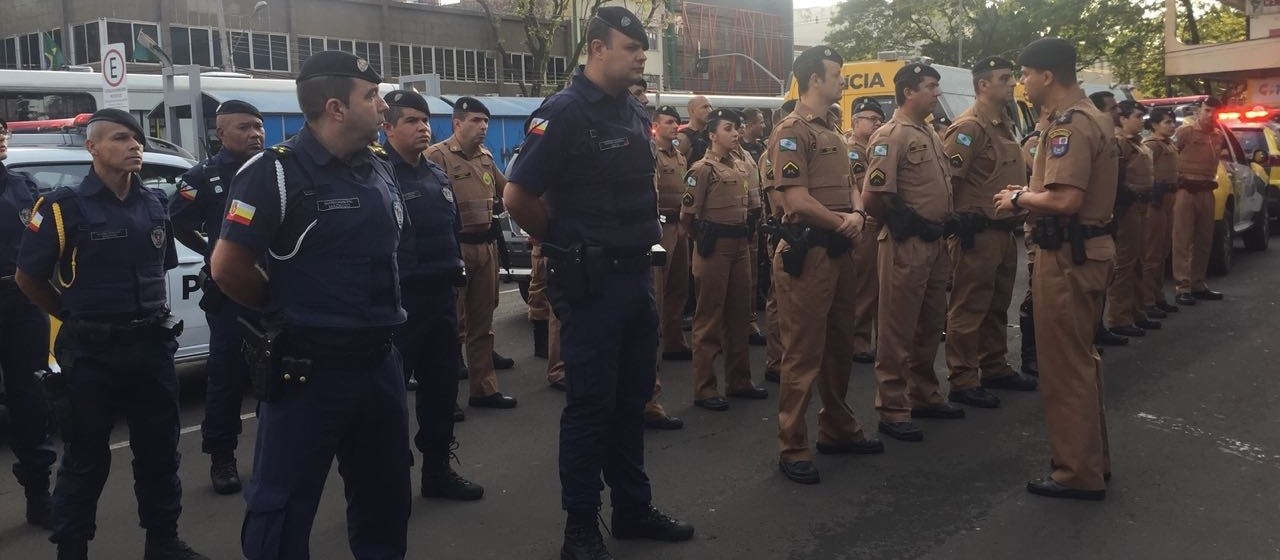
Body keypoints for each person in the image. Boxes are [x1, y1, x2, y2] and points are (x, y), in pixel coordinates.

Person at [503, 7, 694, 558]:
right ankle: (581, 526)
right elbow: (518, 197)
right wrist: (565, 244)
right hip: (590, 284)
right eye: (630, 48)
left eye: (642, 48)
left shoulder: (631, 112)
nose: (640, 56)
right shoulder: (562, 112)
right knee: (590, 406)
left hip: (635, 277)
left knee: (632, 399)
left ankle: (632, 509)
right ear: (596, 49)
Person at [210, 51, 412, 558]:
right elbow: (228, 266)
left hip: (380, 364)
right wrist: (285, 311)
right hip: (309, 371)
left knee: (386, 501)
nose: (383, 106)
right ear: (335, 107)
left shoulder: (379, 168)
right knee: (280, 511)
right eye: (371, 96)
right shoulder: (275, 172)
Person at [16, 109, 205, 559]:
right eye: (121, 138)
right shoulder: (63, 208)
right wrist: (72, 315)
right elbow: (28, 279)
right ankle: (73, 548)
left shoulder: (154, 204)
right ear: (93, 147)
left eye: (137, 139)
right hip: (91, 353)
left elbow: (160, 270)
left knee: (160, 453)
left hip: (150, 347)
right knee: (85, 459)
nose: (134, 146)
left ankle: (163, 541)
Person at [994, 37, 1117, 501]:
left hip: (1068, 256)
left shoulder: (1070, 125)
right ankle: (1092, 460)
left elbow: (1065, 199)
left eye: (1024, 75)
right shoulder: (1093, 117)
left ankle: (1076, 472)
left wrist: (1019, 199)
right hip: (1085, 250)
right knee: (1082, 362)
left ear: (1047, 76)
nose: (1022, 83)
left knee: (1065, 367)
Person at [771, 46, 880, 486]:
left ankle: (838, 427)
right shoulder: (791, 131)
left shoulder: (834, 130)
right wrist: (846, 223)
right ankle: (792, 444)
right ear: (815, 79)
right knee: (803, 354)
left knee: (840, 347)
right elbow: (795, 199)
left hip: (838, 248)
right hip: (811, 253)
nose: (843, 81)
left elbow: (854, 184)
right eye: (837, 74)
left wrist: (855, 215)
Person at [382, 90, 485, 501]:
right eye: (410, 120)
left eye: (425, 120)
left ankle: (438, 470)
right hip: (398, 303)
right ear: (387, 127)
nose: (422, 127)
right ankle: (389, 477)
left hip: (440, 297)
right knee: (389, 396)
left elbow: (451, 230)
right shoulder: (375, 174)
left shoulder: (437, 175)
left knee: (441, 388)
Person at [168, 99, 265, 495]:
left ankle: (276, 450)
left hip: (273, 288)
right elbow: (177, 220)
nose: (254, 133)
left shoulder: (274, 169)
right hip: (229, 293)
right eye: (244, 127)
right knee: (226, 377)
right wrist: (213, 252)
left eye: (257, 125)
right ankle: (221, 457)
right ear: (220, 133)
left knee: (281, 373)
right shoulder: (204, 177)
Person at [864, 63, 963, 443]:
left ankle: (924, 393)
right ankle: (892, 407)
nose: (937, 93)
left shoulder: (930, 133)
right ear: (908, 92)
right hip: (907, 244)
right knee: (897, 327)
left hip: (935, 243)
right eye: (931, 86)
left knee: (929, 323)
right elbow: (875, 196)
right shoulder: (891, 135)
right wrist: (908, 223)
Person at [940, 56, 1040, 411]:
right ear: (983, 85)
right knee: (969, 308)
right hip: (977, 232)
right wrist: (956, 223)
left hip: (1002, 230)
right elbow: (948, 180)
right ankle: (963, 379)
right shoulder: (969, 127)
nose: (1012, 83)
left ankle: (994, 366)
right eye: (1004, 78)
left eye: (1012, 76)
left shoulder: (1002, 123)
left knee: (997, 304)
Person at [427, 97, 519, 409]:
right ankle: (444, 398)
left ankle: (484, 389)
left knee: (483, 322)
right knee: (451, 324)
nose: (483, 127)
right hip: (456, 247)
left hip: (487, 247)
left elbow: (507, 192)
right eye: (475, 121)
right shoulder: (436, 156)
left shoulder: (485, 157)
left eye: (485, 122)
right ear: (457, 123)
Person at [683, 108, 768, 411]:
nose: (736, 133)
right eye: (729, 128)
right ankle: (705, 387)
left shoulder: (741, 167)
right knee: (709, 318)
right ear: (711, 135)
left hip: (740, 245)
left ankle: (739, 380)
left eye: (737, 128)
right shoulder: (702, 169)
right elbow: (688, 217)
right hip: (714, 247)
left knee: (739, 315)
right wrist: (704, 241)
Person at [0, 116, 57, 530]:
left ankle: (39, 493)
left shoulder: (24, 187)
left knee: (30, 399)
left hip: (19, 303)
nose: (1, 135)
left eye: (1, 128)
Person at [1105, 100, 1161, 338]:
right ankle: (1119, 317)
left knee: (1139, 259)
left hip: (1142, 205)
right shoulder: (1119, 144)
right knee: (1125, 263)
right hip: (1128, 207)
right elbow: (1116, 180)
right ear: (1123, 118)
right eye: (1137, 116)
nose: (1141, 120)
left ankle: (1137, 312)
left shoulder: (1136, 143)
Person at [1171, 98, 1226, 306]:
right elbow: (1170, 154)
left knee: (1204, 240)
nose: (1210, 115)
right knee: (1182, 240)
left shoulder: (1218, 136)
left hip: (1206, 190)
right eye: (1207, 110)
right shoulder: (1186, 132)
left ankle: (1198, 284)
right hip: (1186, 190)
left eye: (1214, 111)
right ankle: (1182, 287)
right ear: (1199, 111)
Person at [654, 104, 695, 363]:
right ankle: (652, 346)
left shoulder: (680, 156)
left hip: (680, 225)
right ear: (656, 126)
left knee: (679, 287)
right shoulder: (652, 154)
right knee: (659, 288)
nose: (673, 126)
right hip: (661, 227)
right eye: (668, 122)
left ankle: (673, 341)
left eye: (675, 122)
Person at [847, 96, 884, 365]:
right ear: (855, 121)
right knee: (864, 284)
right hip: (866, 223)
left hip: (877, 221)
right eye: (870, 119)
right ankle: (857, 340)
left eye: (878, 119)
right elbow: (863, 187)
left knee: (877, 285)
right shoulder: (854, 151)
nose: (876, 123)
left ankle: (869, 338)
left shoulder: (874, 147)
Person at [1141, 107, 1181, 317]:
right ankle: (1148, 301)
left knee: (1163, 250)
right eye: (1167, 122)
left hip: (1170, 199)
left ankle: (1158, 296)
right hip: (1156, 200)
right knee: (1152, 253)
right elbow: (1146, 174)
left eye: (1173, 122)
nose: (1172, 125)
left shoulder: (1170, 145)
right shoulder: (1151, 146)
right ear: (1155, 124)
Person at [678, 95, 713, 167]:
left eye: (710, 107)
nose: (710, 111)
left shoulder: (710, 135)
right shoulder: (684, 137)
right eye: (705, 107)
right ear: (692, 111)